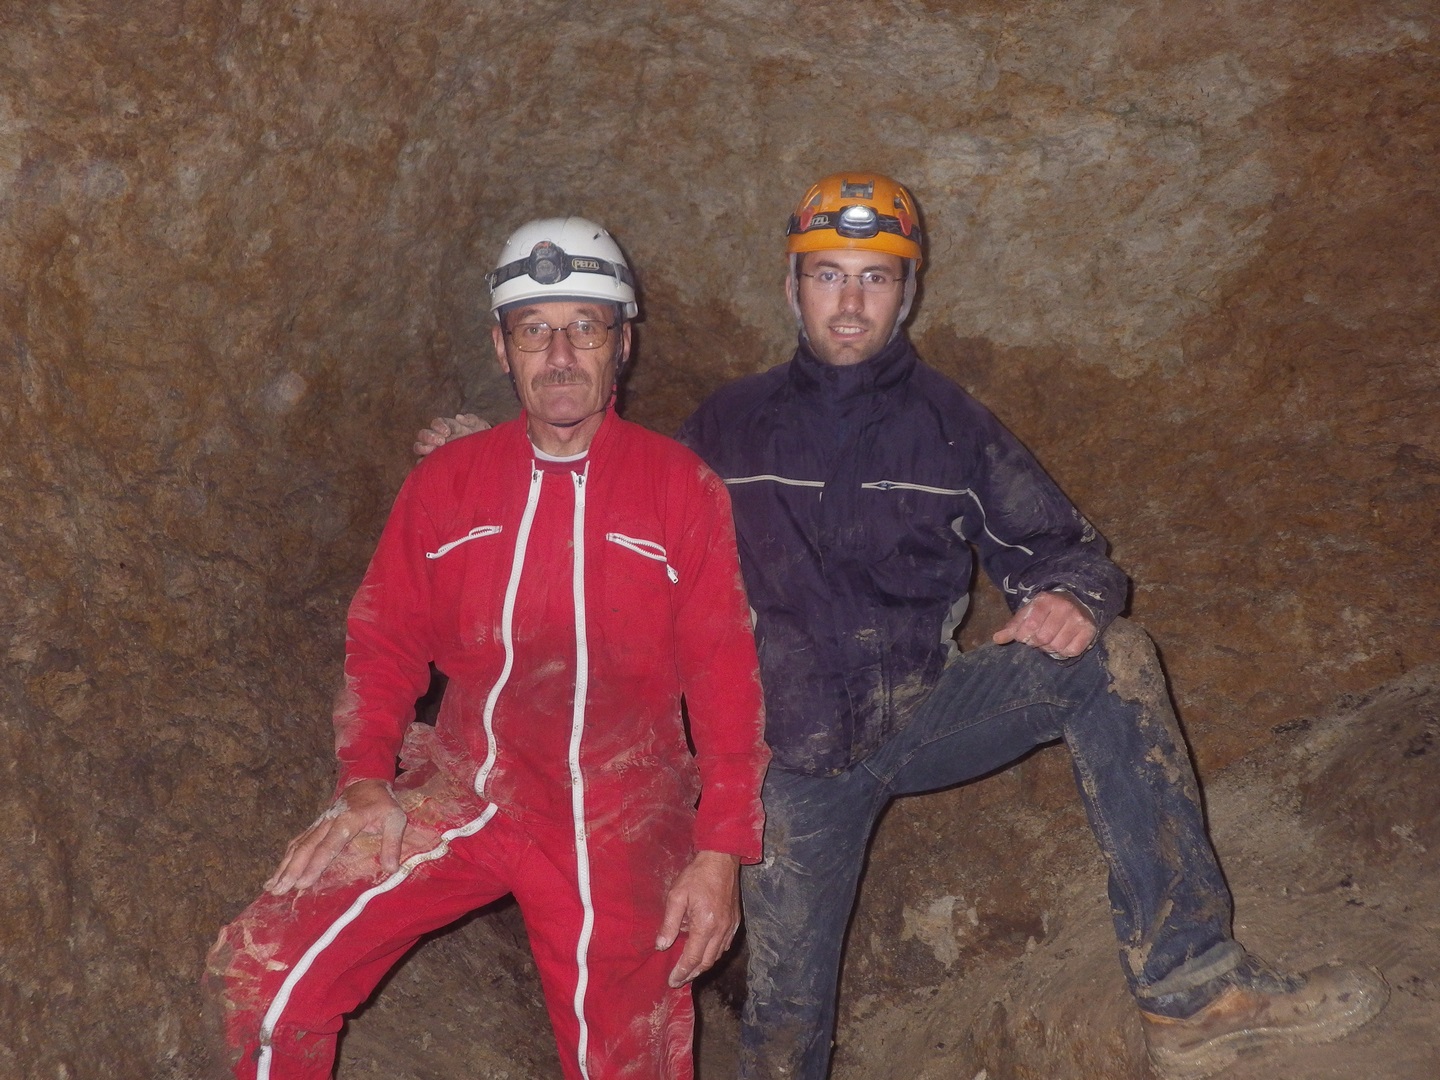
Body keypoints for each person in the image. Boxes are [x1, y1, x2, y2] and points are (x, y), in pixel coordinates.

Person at [416, 177, 1388, 1080]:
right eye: (827, 277)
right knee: (785, 1032)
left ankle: (1194, 986)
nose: (849, 303)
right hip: (782, 767)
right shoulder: (731, 426)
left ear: (908, 294)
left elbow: (1068, 548)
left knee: (1115, 657)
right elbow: (610, 508)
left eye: (875, 279)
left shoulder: (951, 427)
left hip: (923, 713)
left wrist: (1069, 596)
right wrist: (495, 461)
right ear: (791, 289)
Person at [205, 216, 769, 1080]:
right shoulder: (449, 483)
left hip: (621, 810)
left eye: (585, 328)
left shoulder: (679, 490)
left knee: (627, 1063)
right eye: (534, 331)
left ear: (622, 345)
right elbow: (384, 641)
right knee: (269, 972)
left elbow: (726, 682)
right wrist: (363, 779)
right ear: (502, 349)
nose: (560, 355)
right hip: (468, 782)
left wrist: (720, 851)